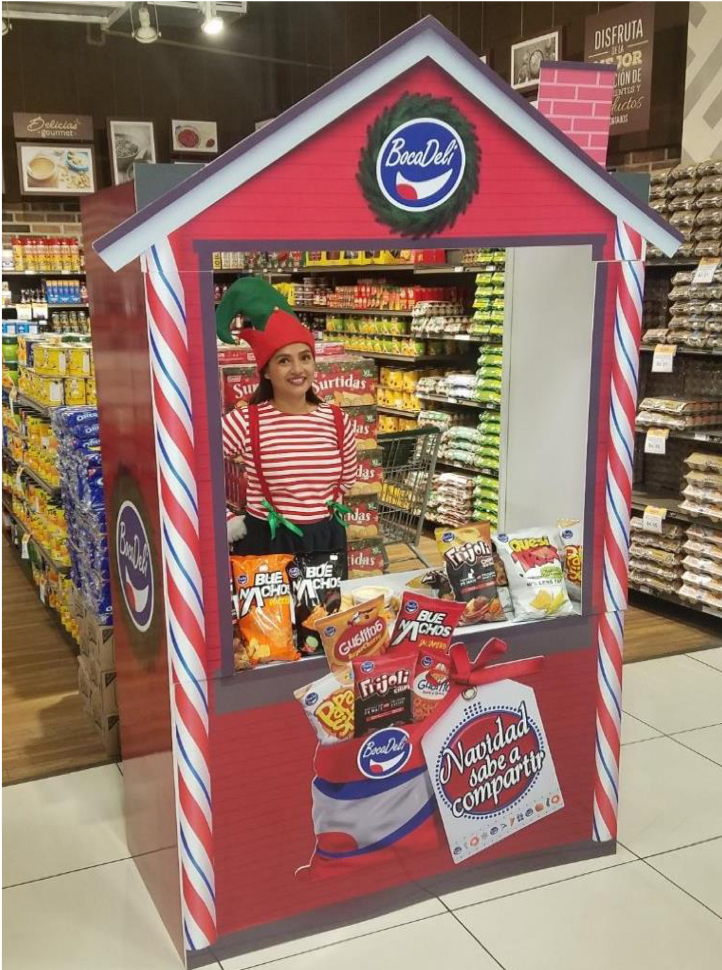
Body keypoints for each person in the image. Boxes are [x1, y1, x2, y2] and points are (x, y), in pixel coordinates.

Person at [217, 277, 358, 571]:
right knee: (269, 619)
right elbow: (194, 471)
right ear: (266, 371)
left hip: (325, 541)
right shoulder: (245, 422)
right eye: (283, 361)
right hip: (266, 543)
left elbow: (346, 482)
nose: (298, 369)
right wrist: (227, 519)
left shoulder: (338, 421)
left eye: (305, 358)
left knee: (325, 618)